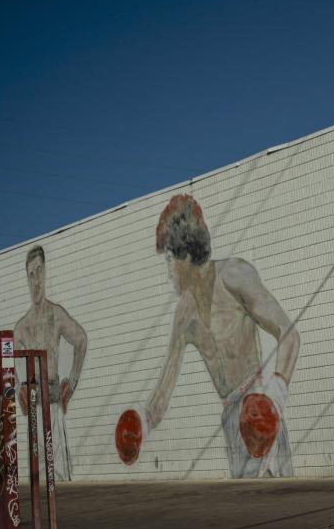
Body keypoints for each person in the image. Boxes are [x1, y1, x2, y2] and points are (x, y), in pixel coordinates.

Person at [114, 194, 300, 478]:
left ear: (186, 255)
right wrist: (141, 422)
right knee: (252, 514)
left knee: (281, 508)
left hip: (259, 408)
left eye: (168, 260)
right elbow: (163, 391)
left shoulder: (234, 276)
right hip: (231, 421)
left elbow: (289, 333)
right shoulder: (184, 314)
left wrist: (273, 400)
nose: (167, 273)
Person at [15, 245, 88, 481]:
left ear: (46, 272)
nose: (36, 281)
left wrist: (73, 381)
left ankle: (59, 515)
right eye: (31, 275)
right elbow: (7, 359)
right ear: (27, 279)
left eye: (39, 272)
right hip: (35, 406)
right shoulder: (22, 326)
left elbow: (81, 340)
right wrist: (18, 388)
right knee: (38, 477)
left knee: (59, 475)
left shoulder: (56, 315)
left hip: (55, 403)